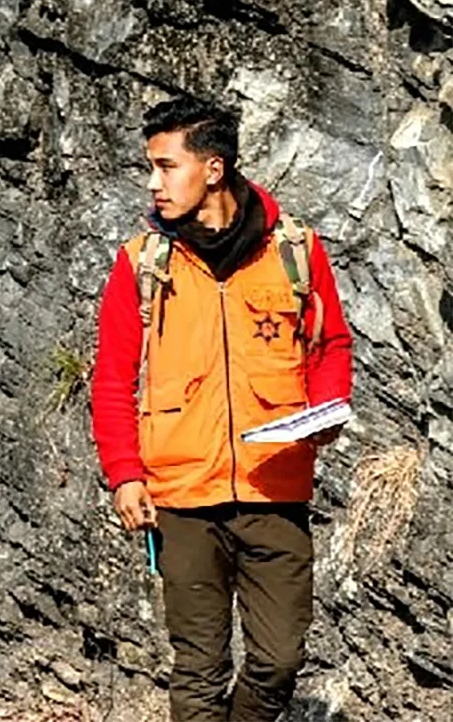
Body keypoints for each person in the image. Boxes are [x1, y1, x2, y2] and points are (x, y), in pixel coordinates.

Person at [90, 97, 354, 722]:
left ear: (213, 168)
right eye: (150, 168)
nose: (154, 184)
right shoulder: (141, 264)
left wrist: (327, 407)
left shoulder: (296, 251)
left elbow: (331, 342)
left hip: (275, 488)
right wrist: (125, 473)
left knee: (278, 660)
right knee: (199, 667)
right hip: (179, 496)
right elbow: (111, 378)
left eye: (166, 166)